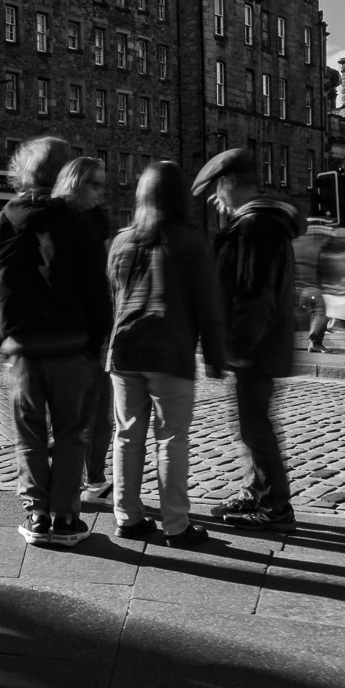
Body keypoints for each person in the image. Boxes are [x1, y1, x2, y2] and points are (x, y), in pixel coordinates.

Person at [0, 136, 112, 549]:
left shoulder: (1, 220)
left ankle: (36, 514)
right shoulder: (77, 222)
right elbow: (95, 290)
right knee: (71, 435)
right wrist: (95, 342)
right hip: (71, 347)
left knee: (29, 436)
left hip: (21, 351)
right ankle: (66, 519)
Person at [106, 162, 228, 547]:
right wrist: (214, 356)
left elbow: (113, 297)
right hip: (170, 352)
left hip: (124, 351)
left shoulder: (122, 242)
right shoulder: (191, 241)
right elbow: (208, 305)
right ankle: (176, 524)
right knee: (171, 439)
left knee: (127, 436)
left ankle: (127, 517)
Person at [192, 148, 304, 532]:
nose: (214, 199)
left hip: (255, 347)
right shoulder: (258, 223)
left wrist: (236, 348)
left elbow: (255, 296)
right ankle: (258, 490)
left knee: (255, 426)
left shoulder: (257, 227)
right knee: (250, 423)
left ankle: (275, 506)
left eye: (216, 189)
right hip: (260, 345)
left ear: (229, 182)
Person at [52, 157, 115, 497]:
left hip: (96, 331)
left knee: (100, 413)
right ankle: (67, 483)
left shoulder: (98, 221)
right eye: (95, 183)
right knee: (69, 416)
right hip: (66, 334)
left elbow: (104, 278)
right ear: (75, 182)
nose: (101, 191)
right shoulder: (55, 221)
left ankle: (94, 477)